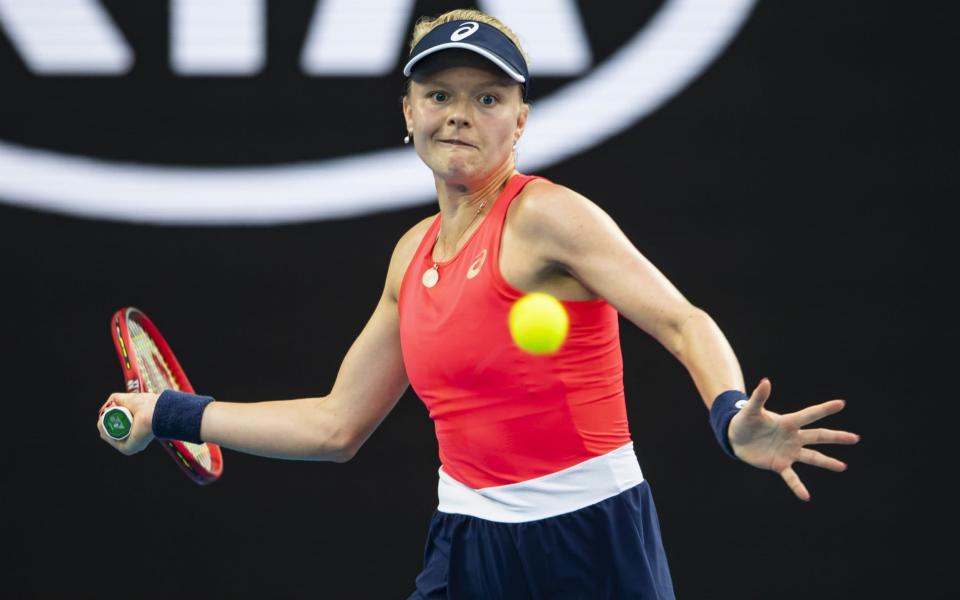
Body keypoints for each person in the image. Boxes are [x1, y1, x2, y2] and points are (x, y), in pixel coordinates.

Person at [98, 9, 859, 599]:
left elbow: (682, 321)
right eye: (439, 95)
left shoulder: (550, 217)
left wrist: (729, 414)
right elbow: (335, 426)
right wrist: (169, 413)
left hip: (591, 543)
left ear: (520, 121)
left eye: (487, 97)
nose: (459, 114)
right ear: (407, 112)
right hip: (467, 542)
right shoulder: (411, 254)